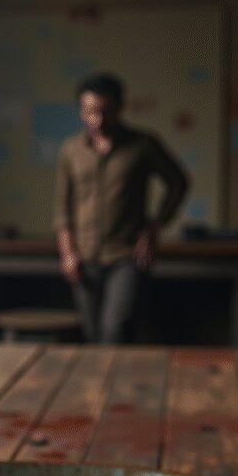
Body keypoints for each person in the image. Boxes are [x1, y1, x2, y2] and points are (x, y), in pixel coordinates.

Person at [54, 73, 188, 344]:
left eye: (105, 112)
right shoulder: (70, 151)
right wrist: (67, 253)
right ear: (81, 111)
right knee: (91, 334)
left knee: (115, 330)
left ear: (119, 108)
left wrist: (154, 228)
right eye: (90, 113)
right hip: (84, 256)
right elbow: (62, 210)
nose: (98, 121)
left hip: (126, 256)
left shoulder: (143, 145)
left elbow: (178, 182)